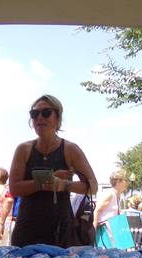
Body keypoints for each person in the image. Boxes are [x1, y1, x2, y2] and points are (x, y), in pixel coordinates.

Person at [9, 94, 97, 248]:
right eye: (34, 114)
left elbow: (93, 186)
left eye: (46, 113)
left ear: (58, 118)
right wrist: (47, 181)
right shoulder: (23, 149)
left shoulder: (70, 149)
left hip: (60, 229)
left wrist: (64, 185)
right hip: (27, 229)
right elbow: (14, 189)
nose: (39, 118)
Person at [93, 170, 128, 247]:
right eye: (125, 180)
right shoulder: (110, 194)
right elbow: (97, 210)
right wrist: (94, 228)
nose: (127, 183)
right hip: (105, 232)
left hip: (112, 231)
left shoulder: (116, 195)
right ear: (118, 181)